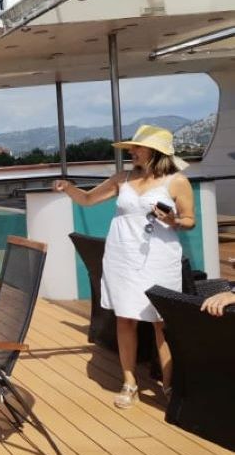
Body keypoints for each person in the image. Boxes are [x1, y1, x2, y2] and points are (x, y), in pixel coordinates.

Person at [53, 125, 194, 409]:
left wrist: (173, 221)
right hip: (122, 258)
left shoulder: (177, 182)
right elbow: (88, 199)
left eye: (136, 147)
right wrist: (68, 188)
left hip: (160, 259)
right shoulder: (123, 178)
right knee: (125, 319)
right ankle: (130, 383)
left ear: (154, 152)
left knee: (162, 322)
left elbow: (189, 220)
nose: (131, 151)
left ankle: (169, 386)